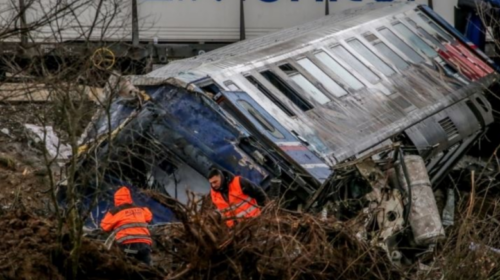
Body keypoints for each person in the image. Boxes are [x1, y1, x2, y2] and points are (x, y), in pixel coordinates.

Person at [100, 186, 153, 265]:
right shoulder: (141, 209)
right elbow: (149, 217)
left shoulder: (114, 212)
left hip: (127, 245)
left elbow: (104, 227)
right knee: (148, 268)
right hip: (144, 244)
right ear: (129, 197)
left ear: (116, 199)